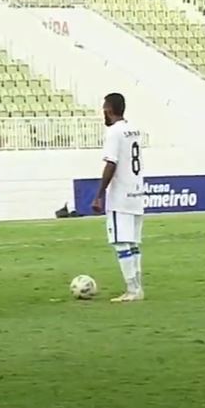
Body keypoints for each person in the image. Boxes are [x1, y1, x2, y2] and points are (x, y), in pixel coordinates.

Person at [92, 93, 145, 303]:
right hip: (137, 193)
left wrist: (99, 194)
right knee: (133, 244)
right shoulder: (134, 130)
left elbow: (111, 163)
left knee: (121, 243)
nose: (103, 112)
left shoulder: (114, 133)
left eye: (104, 107)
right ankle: (137, 287)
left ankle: (132, 290)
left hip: (121, 196)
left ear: (109, 109)